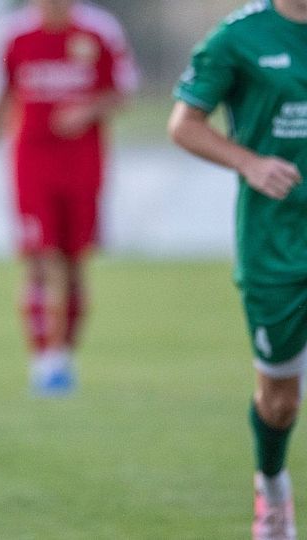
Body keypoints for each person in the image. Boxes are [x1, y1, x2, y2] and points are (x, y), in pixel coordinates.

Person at [168, 1, 307, 538]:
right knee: (279, 400)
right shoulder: (239, 37)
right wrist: (250, 162)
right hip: (275, 245)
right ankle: (272, 485)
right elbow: (184, 123)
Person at [0, 0, 138, 395]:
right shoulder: (14, 34)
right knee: (40, 260)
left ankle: (64, 355)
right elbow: (0, 95)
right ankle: (45, 359)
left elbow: (124, 91)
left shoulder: (100, 30)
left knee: (75, 263)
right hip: (31, 164)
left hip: (84, 166)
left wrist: (88, 110)